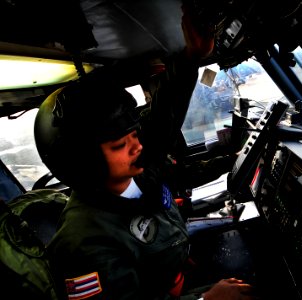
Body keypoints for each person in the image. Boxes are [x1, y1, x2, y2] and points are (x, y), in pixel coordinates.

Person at [33, 6, 257, 300]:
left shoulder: (133, 167)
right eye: (118, 145)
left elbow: (163, 119)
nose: (137, 145)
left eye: (134, 135)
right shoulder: (83, 245)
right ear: (83, 163)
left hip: (181, 267)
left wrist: (192, 56)